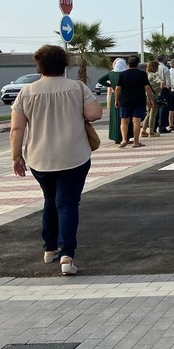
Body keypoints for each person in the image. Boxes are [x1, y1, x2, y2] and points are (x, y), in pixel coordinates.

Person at [10, 44, 103, 276]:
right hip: (74, 156)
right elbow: (95, 114)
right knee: (68, 204)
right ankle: (67, 256)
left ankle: (49, 248)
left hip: (39, 158)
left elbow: (16, 128)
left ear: (39, 65)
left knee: (50, 200)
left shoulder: (26, 92)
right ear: (64, 65)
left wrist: (16, 156)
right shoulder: (77, 88)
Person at [115, 55, 154, 147]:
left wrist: (116, 99)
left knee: (124, 121)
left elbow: (117, 88)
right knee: (136, 121)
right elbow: (147, 88)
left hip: (124, 100)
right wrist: (150, 99)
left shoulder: (122, 74)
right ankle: (136, 142)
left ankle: (124, 140)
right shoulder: (142, 74)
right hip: (138, 100)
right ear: (137, 64)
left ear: (128, 64)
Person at [97, 57, 127, 144]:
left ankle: (116, 137)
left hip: (114, 96)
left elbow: (100, 80)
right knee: (125, 117)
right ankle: (124, 137)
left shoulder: (111, 74)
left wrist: (110, 86)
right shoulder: (125, 73)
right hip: (124, 95)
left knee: (115, 117)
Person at [144, 60, 163, 137]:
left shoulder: (147, 75)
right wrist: (160, 88)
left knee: (148, 114)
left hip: (147, 96)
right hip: (154, 96)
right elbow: (162, 82)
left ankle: (144, 130)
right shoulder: (155, 75)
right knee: (153, 114)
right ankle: (151, 131)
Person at [155, 54, 173, 134]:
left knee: (156, 109)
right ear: (164, 59)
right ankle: (162, 127)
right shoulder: (165, 68)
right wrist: (169, 90)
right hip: (164, 89)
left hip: (155, 89)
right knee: (164, 109)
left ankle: (154, 127)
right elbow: (168, 82)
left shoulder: (156, 67)